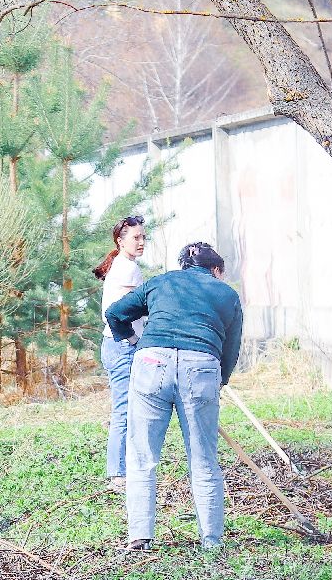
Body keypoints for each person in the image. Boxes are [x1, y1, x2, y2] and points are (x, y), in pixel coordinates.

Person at [104, 241, 243, 552]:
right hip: (201, 368)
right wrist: (218, 382)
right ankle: (211, 541)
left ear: (184, 266)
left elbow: (115, 314)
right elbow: (231, 349)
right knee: (204, 459)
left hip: (152, 363)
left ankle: (140, 538)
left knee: (141, 457)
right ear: (216, 270)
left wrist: (134, 341)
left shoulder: (161, 282)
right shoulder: (227, 294)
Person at [95, 215, 147, 493]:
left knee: (127, 409)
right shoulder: (127, 269)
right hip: (121, 347)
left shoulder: (123, 264)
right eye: (135, 237)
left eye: (143, 237)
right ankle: (117, 474)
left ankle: (125, 468)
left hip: (115, 346)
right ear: (120, 240)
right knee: (124, 410)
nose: (140, 242)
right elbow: (119, 314)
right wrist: (135, 339)